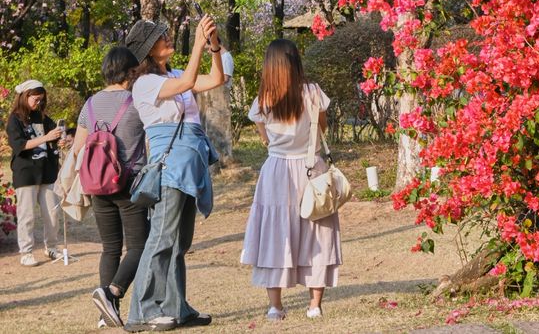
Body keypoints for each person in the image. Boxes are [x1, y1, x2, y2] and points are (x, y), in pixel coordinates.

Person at [123, 16, 224, 332]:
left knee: (179, 241)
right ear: (148, 51)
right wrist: (196, 44)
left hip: (189, 164)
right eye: (161, 38)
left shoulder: (177, 74)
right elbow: (186, 84)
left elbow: (216, 79)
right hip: (168, 168)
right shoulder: (145, 84)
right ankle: (142, 312)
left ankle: (176, 307)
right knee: (162, 237)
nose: (168, 39)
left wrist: (214, 46)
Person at [241, 39, 342, 321]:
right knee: (317, 230)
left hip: (276, 170)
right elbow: (321, 127)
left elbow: (264, 138)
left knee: (275, 232)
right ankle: (314, 305)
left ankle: (275, 306)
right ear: (296, 61)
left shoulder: (263, 98)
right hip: (312, 168)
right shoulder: (312, 92)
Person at [74, 46, 149, 329]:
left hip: (97, 185)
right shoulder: (135, 101)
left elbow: (79, 148)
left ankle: (105, 314)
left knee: (110, 248)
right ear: (130, 72)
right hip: (128, 183)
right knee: (140, 245)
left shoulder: (90, 103)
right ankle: (112, 291)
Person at [6, 79, 63, 266]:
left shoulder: (42, 117)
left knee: (52, 213)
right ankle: (26, 252)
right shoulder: (14, 119)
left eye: (41, 100)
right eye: (35, 99)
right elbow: (20, 145)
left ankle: (51, 247)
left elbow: (53, 137)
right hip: (26, 173)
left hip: (47, 171)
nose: (38, 103)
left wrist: (60, 140)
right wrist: (45, 138)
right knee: (27, 215)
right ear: (25, 96)